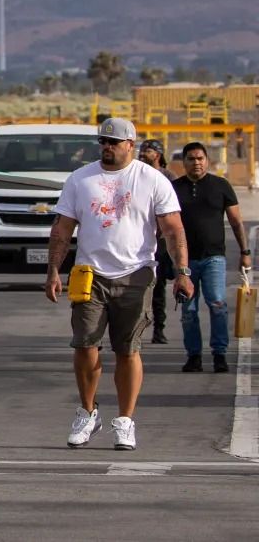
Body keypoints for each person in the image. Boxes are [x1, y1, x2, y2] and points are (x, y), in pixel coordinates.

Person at [45, 117, 189, 451]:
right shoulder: (80, 179)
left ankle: (125, 420)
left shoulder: (152, 179)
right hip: (89, 275)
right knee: (85, 345)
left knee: (128, 350)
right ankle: (87, 412)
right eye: (103, 142)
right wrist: (53, 270)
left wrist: (183, 271)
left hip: (136, 273)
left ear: (130, 145)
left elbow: (173, 229)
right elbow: (62, 229)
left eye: (113, 142)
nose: (107, 147)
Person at [171, 141, 249, 374]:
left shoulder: (221, 186)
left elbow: (236, 222)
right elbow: (163, 225)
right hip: (185, 262)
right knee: (188, 311)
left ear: (207, 160)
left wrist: (245, 252)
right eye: (191, 159)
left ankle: (219, 354)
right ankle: (194, 356)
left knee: (217, 304)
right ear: (184, 162)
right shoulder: (174, 188)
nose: (196, 163)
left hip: (214, 258)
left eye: (200, 158)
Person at [138, 140, 174, 343]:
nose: (143, 153)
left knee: (158, 287)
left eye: (148, 150)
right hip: (139, 239)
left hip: (160, 242)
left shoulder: (168, 178)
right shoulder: (136, 175)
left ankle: (159, 329)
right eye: (142, 150)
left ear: (158, 155)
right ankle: (137, 328)